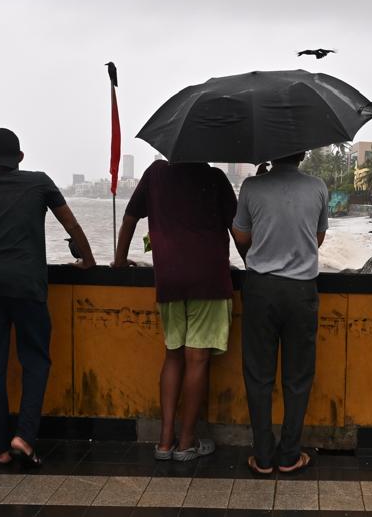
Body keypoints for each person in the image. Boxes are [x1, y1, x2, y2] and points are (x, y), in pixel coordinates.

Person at [0, 128, 95, 469]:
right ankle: (25, 437)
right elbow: (72, 226)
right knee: (35, 360)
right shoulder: (39, 183)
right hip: (28, 287)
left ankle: (0, 448)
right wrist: (89, 261)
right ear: (19, 157)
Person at [112, 159, 237, 461]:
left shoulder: (155, 174)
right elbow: (238, 231)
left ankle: (164, 442)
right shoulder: (216, 178)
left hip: (168, 279)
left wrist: (119, 260)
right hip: (208, 279)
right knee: (197, 359)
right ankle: (186, 443)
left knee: (173, 355)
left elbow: (129, 218)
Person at [231, 151, 327, 475]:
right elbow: (317, 238)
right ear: (303, 153)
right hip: (302, 290)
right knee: (298, 377)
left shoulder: (251, 187)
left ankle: (262, 456)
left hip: (260, 289)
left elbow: (241, 236)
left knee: (259, 375)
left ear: (271, 153)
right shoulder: (318, 187)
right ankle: (288, 455)